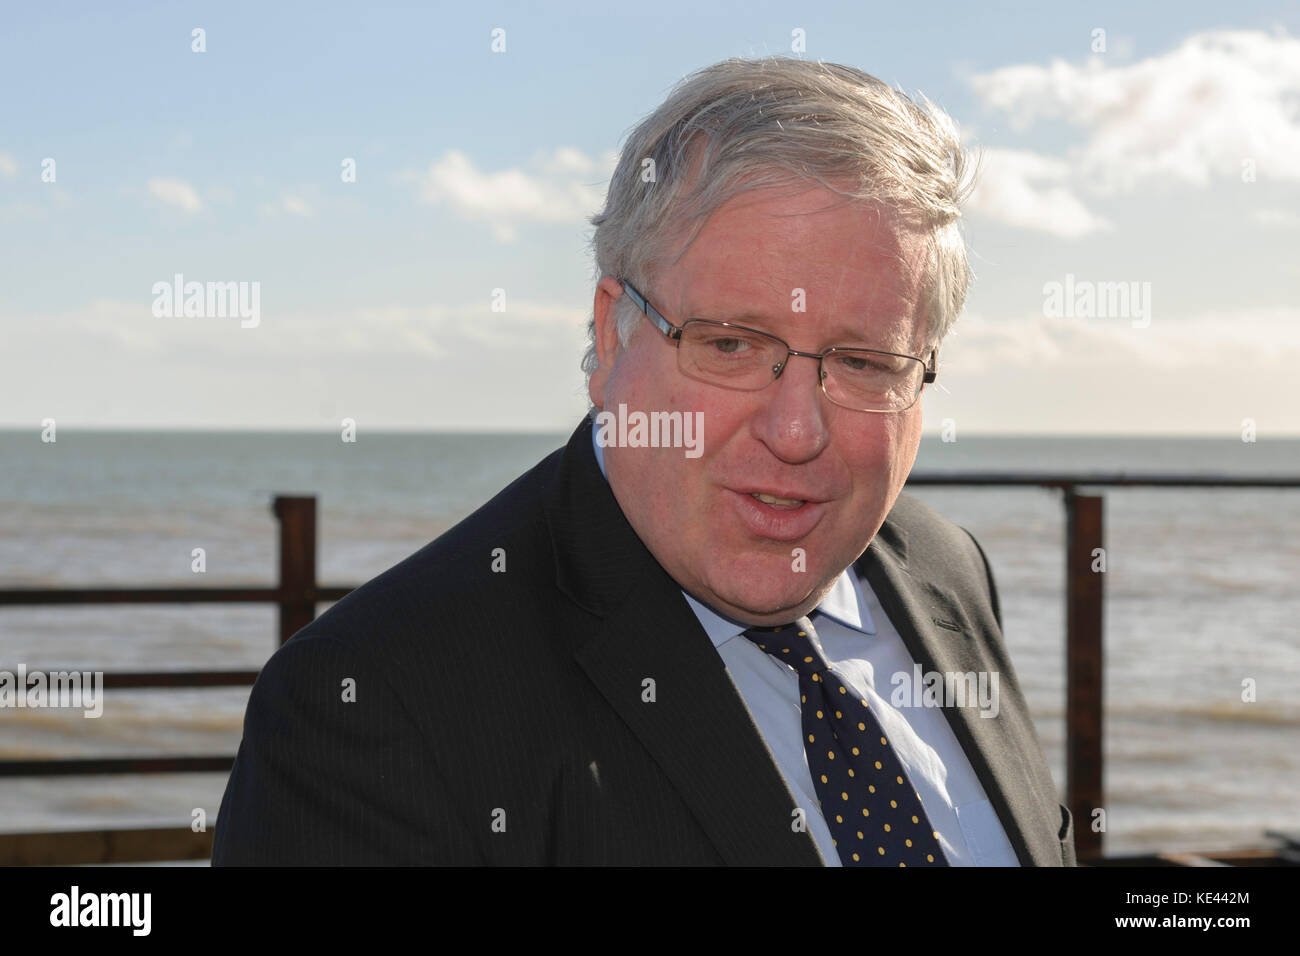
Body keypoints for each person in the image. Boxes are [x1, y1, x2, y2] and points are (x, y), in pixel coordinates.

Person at [213, 56, 1075, 866]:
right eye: (731, 344)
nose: (796, 429)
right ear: (608, 333)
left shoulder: (945, 569)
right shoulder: (374, 710)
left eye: (863, 362)